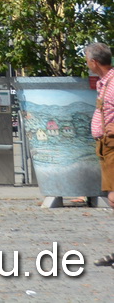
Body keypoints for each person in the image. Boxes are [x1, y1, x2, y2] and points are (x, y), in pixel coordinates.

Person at [86, 42, 114, 269]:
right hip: (105, 145)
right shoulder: (105, 82)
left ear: (94, 62)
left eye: (87, 59)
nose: (87, 63)